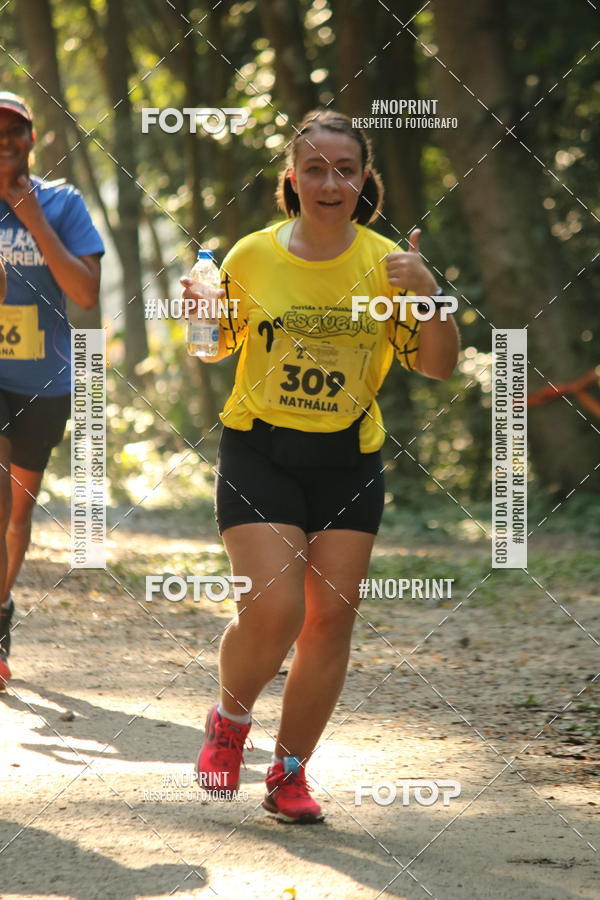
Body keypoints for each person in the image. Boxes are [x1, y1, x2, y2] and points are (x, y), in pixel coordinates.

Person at [182, 109, 459, 823]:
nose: (329, 181)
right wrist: (198, 313)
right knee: (273, 610)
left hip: (349, 456)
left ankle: (290, 773)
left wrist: (433, 299)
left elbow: (436, 366)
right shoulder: (250, 255)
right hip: (261, 447)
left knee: (329, 622)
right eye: (314, 167)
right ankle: (231, 723)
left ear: (365, 180)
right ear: (292, 179)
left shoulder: (389, 263)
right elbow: (210, 349)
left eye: (344, 169)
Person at [0, 93, 104, 688]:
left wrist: (32, 217)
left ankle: (1, 605)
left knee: (17, 513)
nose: (5, 142)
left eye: (15, 131)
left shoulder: (63, 203)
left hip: (45, 379)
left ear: (32, 140)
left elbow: (85, 294)